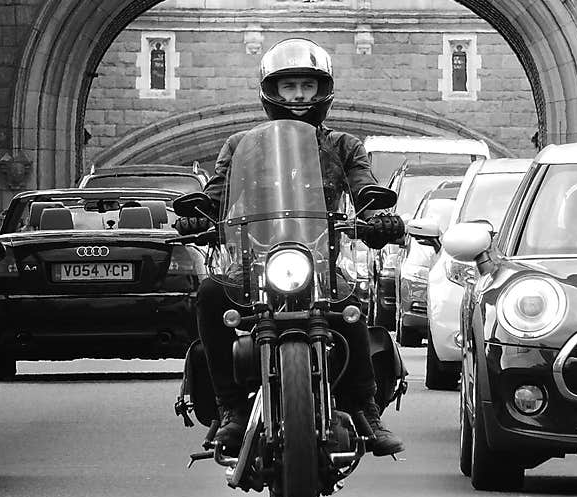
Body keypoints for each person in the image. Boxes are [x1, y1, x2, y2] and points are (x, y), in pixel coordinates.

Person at [174, 38, 405, 457]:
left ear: (322, 91)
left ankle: (366, 409)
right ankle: (230, 410)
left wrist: (376, 216)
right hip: (253, 261)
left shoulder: (344, 146)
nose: (299, 95)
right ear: (272, 92)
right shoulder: (240, 144)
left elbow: (363, 185)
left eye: (307, 86)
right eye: (289, 87)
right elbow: (218, 191)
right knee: (209, 295)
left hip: (319, 258)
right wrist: (199, 213)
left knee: (352, 304)